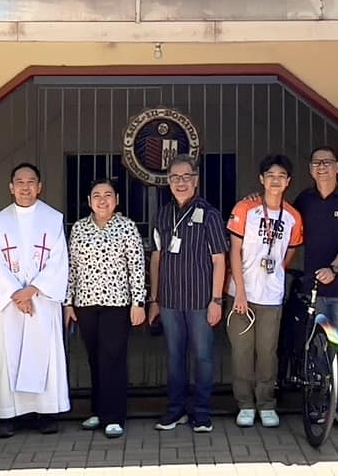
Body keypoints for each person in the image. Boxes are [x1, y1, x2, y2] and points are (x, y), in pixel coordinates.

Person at [0, 163, 71, 438]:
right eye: (19, 182)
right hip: (12, 303)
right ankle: (10, 414)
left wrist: (32, 289)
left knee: (44, 353)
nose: (25, 187)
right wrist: (17, 294)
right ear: (11, 188)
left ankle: (46, 412)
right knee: (11, 354)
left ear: (40, 187)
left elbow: (59, 260)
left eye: (31, 182)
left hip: (42, 300)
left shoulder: (53, 218)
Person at [148, 154, 229, 434]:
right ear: (168, 182)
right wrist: (154, 300)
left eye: (186, 177)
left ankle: (202, 412)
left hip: (200, 301)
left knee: (204, 357)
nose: (180, 182)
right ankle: (176, 410)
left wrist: (216, 300)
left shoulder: (210, 215)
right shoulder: (162, 214)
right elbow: (157, 258)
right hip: (169, 301)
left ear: (195, 180)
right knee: (174, 357)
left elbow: (220, 260)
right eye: (175, 178)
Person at [225, 155, 304, 429]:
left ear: (288, 182)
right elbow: (234, 250)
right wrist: (241, 292)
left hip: (271, 296)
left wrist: (274, 275)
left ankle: (266, 403)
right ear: (261, 179)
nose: (275, 180)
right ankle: (245, 404)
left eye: (281, 176)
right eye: (270, 175)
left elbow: (289, 253)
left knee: (268, 352)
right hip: (241, 294)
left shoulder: (293, 217)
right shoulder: (245, 208)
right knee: (242, 352)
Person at [64, 180, 147, 439]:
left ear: (117, 199)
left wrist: (139, 302)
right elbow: (71, 268)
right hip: (86, 304)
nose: (102, 200)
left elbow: (137, 267)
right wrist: (68, 302)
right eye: (96, 196)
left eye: (108, 195)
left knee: (113, 359)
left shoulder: (127, 227)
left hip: (117, 305)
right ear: (89, 201)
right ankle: (98, 411)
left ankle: (114, 416)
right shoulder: (79, 229)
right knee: (94, 359)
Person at [292, 147, 338, 434]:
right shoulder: (305, 200)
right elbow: (286, 223)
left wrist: (333, 269)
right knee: (317, 350)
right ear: (310, 169)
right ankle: (322, 405)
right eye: (316, 163)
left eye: (328, 162)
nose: (322, 167)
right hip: (314, 292)